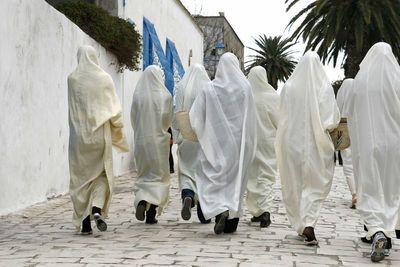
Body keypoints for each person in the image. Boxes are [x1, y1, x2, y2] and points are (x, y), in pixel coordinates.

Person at [275, 51, 340, 245]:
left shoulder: (289, 87)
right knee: (315, 184)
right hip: (316, 146)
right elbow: (331, 120)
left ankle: (301, 223)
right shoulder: (324, 88)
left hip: (291, 144)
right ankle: (309, 221)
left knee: (294, 184)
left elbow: (281, 113)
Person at [190, 53, 256, 234]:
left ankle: (220, 210)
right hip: (240, 145)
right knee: (235, 181)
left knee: (212, 176)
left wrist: (202, 131)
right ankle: (232, 219)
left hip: (216, 145)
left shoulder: (209, 88)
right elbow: (251, 119)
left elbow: (196, 117)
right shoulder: (245, 88)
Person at [346, 42, 400, 262]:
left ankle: (377, 230)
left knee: (370, 189)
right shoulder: (397, 78)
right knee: (391, 189)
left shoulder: (361, 81)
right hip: (395, 145)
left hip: (367, 145)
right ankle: (387, 230)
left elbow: (350, 113)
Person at [68, 45, 129, 235]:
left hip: (78, 138)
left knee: (80, 180)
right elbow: (114, 110)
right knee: (101, 175)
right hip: (99, 136)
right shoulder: (104, 79)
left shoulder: (72, 79)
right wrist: (118, 130)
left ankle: (85, 222)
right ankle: (96, 209)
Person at [131, 65, 173, 224]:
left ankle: (142, 200)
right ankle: (151, 213)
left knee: (144, 174)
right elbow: (167, 120)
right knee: (158, 177)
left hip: (141, 140)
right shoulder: (165, 96)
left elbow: (133, 118)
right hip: (158, 141)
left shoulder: (137, 95)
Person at [171, 64, 212, 224]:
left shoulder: (182, 86)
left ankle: (187, 195)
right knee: (204, 173)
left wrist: (176, 133)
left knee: (187, 170)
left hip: (186, 134)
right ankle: (204, 212)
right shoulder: (208, 87)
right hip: (203, 136)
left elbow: (177, 111)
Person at [245, 66, 279, 228]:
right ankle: (264, 210)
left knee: (251, 176)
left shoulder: (245, 96)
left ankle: (257, 211)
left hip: (249, 141)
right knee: (266, 175)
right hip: (268, 142)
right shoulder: (273, 96)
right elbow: (281, 121)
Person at [336, 79, 357, 208]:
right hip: (360, 130)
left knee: (348, 165)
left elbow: (336, 111)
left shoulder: (342, 96)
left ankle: (354, 193)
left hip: (344, 130)